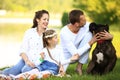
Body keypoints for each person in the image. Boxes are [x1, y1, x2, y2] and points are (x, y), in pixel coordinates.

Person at [4, 29, 78, 80]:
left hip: (52, 68)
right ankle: (14, 77)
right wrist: (41, 58)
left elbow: (61, 61)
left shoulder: (59, 49)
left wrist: (70, 60)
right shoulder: (44, 50)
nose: (57, 39)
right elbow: (37, 63)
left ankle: (17, 78)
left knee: (39, 75)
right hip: (42, 65)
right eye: (55, 38)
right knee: (31, 72)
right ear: (49, 40)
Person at [60, 9, 113, 75]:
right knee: (58, 72)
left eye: (84, 16)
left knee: (89, 35)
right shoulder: (64, 32)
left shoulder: (86, 25)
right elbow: (75, 54)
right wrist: (91, 42)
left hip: (79, 53)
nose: (86, 19)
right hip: (66, 58)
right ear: (77, 24)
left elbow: (100, 28)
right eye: (83, 19)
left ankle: (79, 67)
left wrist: (111, 36)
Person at [0, 10, 50, 76]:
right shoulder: (29, 32)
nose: (46, 21)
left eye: (48, 20)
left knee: (25, 70)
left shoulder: (49, 34)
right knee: (9, 72)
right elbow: (22, 50)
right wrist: (27, 61)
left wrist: (38, 61)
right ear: (37, 20)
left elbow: (49, 53)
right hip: (25, 60)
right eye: (44, 19)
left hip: (39, 63)